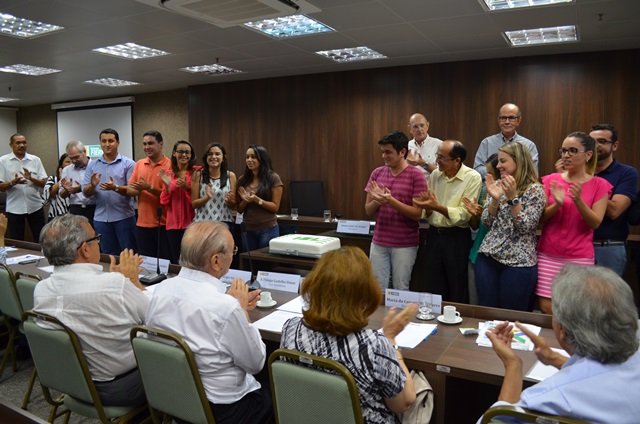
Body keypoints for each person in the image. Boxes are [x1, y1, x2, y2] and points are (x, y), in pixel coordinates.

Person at [145, 221, 273, 424]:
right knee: (277, 389)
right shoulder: (226, 307)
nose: (233, 256)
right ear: (216, 261)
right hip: (224, 411)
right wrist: (240, 310)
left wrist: (233, 305)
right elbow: (256, 363)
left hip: (176, 400)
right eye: (232, 251)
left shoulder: (162, 290)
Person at [482, 265, 640, 424]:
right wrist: (555, 359)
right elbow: (601, 374)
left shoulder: (547, 399)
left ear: (563, 329)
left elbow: (493, 420)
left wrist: (513, 365)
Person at [280, 246, 417, 424]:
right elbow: (404, 402)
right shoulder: (373, 345)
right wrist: (391, 340)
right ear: (365, 293)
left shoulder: (291, 329)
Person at [33, 214, 149, 407]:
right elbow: (155, 315)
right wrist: (133, 281)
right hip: (120, 388)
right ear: (85, 249)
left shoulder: (41, 289)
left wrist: (118, 282)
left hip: (70, 382)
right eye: (96, 238)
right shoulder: (113, 286)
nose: (98, 243)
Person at [536, 132, 611, 314]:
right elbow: (539, 219)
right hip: (548, 253)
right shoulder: (550, 180)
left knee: (576, 306)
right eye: (563, 151)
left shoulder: (600, 184)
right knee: (546, 305)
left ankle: (568, 333)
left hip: (579, 256)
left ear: (588, 155)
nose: (566, 155)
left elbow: (595, 222)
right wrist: (557, 204)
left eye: (573, 151)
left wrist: (578, 201)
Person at [475, 142, 546, 311]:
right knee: (487, 312)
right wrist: (494, 199)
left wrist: (513, 198)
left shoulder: (535, 190)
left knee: (512, 316)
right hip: (488, 258)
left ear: (518, 161)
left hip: (519, 263)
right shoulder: (497, 184)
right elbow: (486, 222)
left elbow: (525, 227)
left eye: (503, 161)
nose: (498, 166)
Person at [414, 140, 482, 303]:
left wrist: (436, 207)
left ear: (457, 160)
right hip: (433, 235)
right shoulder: (435, 175)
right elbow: (429, 210)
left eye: (442, 157)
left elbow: (465, 214)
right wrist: (427, 207)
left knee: (457, 286)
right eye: (437, 156)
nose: (437, 161)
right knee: (432, 284)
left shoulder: (472, 177)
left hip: (457, 237)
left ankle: (456, 318)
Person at [365, 130, 425, 291]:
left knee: (400, 288)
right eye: (383, 152)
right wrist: (378, 201)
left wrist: (390, 201)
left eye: (388, 152)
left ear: (402, 152)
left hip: (405, 244)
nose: (384, 156)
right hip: (379, 242)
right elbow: (368, 210)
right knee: (377, 288)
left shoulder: (416, 176)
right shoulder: (377, 173)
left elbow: (417, 214)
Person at [590, 124, 638, 276]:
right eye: (592, 142)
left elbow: (614, 211)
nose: (596, 146)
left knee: (605, 292)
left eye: (602, 141)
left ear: (615, 145)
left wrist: (587, 182)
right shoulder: (579, 171)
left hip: (608, 247)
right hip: (577, 246)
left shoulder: (627, 173)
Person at [82, 128, 137, 255]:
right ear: (100, 143)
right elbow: (85, 192)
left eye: (111, 141)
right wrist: (92, 186)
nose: (107, 144)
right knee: (108, 255)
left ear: (118, 142)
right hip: (101, 219)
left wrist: (115, 188)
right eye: (104, 141)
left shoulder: (128, 164)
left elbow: (133, 191)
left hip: (124, 217)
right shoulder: (92, 165)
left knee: (129, 254)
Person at [126, 130, 171, 259]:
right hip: (142, 225)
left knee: (165, 263)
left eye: (150, 143)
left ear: (161, 144)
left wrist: (148, 188)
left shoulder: (170, 165)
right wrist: (137, 188)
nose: (147, 147)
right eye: (144, 144)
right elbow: (130, 190)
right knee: (146, 264)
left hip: (164, 225)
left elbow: (169, 196)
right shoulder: (139, 164)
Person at [464, 153, 499, 305]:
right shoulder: (484, 191)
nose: (486, 177)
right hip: (477, 252)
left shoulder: (511, 193)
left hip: (498, 257)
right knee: (475, 303)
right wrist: (475, 214)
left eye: (490, 173)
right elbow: (474, 225)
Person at [0, 133, 47, 241]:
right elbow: (1, 187)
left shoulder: (35, 160)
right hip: (14, 208)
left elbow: (43, 184)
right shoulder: (3, 161)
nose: (22, 145)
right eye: (18, 143)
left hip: (35, 205)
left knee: (41, 238)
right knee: (17, 240)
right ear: (11, 145)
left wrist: (31, 178)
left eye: (24, 142)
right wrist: (13, 183)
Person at [236, 145, 283, 251]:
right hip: (248, 230)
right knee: (248, 260)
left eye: (253, 157)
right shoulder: (242, 179)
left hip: (268, 229)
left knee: (264, 260)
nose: (249, 160)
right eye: (247, 157)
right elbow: (239, 210)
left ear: (262, 159)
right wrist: (245, 201)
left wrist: (256, 200)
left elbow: (275, 207)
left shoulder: (273, 178)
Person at [474, 103, 538, 179]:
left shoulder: (529, 145)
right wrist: (498, 173)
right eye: (503, 118)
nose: (507, 122)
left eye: (511, 118)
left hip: (519, 186)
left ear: (518, 120)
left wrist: (509, 173)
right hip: (491, 185)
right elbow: (477, 170)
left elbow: (532, 173)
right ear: (498, 120)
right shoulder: (487, 143)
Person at [160, 140, 198, 264]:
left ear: (191, 155)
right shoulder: (168, 174)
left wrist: (187, 188)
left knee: (191, 260)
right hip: (172, 225)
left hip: (191, 224)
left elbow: (196, 200)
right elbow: (164, 202)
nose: (184, 155)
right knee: (176, 260)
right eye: (180, 152)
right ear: (174, 153)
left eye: (187, 152)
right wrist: (167, 186)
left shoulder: (196, 173)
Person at [192, 142, 236, 227]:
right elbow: (194, 204)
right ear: (206, 157)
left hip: (224, 223)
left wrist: (229, 200)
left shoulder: (230, 176)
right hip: (203, 223)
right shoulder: (198, 175)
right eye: (210, 154)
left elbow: (233, 205)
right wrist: (207, 197)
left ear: (223, 157)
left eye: (217, 154)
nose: (213, 157)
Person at [60, 140, 96, 226]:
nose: (74, 161)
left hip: (95, 208)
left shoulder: (96, 166)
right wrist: (66, 190)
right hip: (76, 209)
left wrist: (82, 188)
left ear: (84, 151)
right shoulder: (67, 170)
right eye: (71, 158)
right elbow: (61, 194)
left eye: (76, 157)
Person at [405, 113, 443, 180]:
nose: (419, 129)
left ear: (427, 125)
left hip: (432, 186)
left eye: (422, 125)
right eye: (415, 127)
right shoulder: (406, 146)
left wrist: (423, 163)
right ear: (410, 128)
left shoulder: (440, 145)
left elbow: (443, 173)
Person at [43, 153, 71, 220]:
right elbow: (47, 196)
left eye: (72, 162)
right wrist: (61, 180)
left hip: (72, 216)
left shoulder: (77, 179)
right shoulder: (53, 179)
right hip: (56, 216)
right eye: (67, 162)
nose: (70, 164)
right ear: (61, 164)